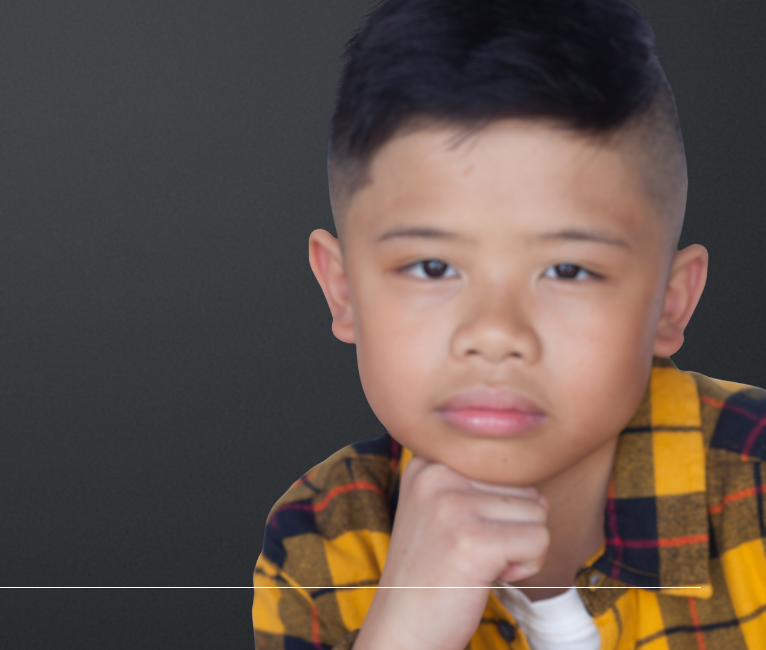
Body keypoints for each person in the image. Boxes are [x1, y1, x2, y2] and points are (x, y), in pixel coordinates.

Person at [250, 1, 766, 649]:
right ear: (342, 289)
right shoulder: (323, 536)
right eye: (433, 267)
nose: (496, 334)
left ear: (670, 301)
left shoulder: (755, 486)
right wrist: (405, 630)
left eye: (569, 271)